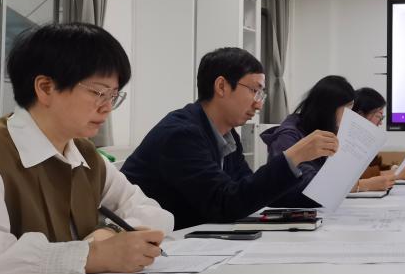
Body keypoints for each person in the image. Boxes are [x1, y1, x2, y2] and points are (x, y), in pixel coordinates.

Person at [0, 23, 173, 274]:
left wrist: (110, 232)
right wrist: (91, 256)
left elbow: (154, 213)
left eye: (113, 96)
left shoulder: (85, 155)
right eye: (98, 92)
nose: (107, 107)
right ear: (45, 88)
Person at [121, 48, 336, 229]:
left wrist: (327, 191)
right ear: (221, 86)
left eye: (261, 95)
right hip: (149, 246)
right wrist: (294, 156)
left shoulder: (227, 134)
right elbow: (224, 204)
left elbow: (250, 192)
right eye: (254, 91)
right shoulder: (181, 135)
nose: (258, 104)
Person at [262, 76, 393, 199]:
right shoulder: (288, 136)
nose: (350, 118)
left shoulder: (321, 130)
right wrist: (362, 185)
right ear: (329, 109)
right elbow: (308, 185)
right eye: (347, 110)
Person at [352, 87, 405, 183]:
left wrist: (400, 169)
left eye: (382, 118)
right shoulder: (348, 141)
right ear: (360, 115)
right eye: (378, 116)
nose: (380, 123)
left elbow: (375, 167)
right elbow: (360, 175)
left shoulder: (365, 141)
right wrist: (399, 174)